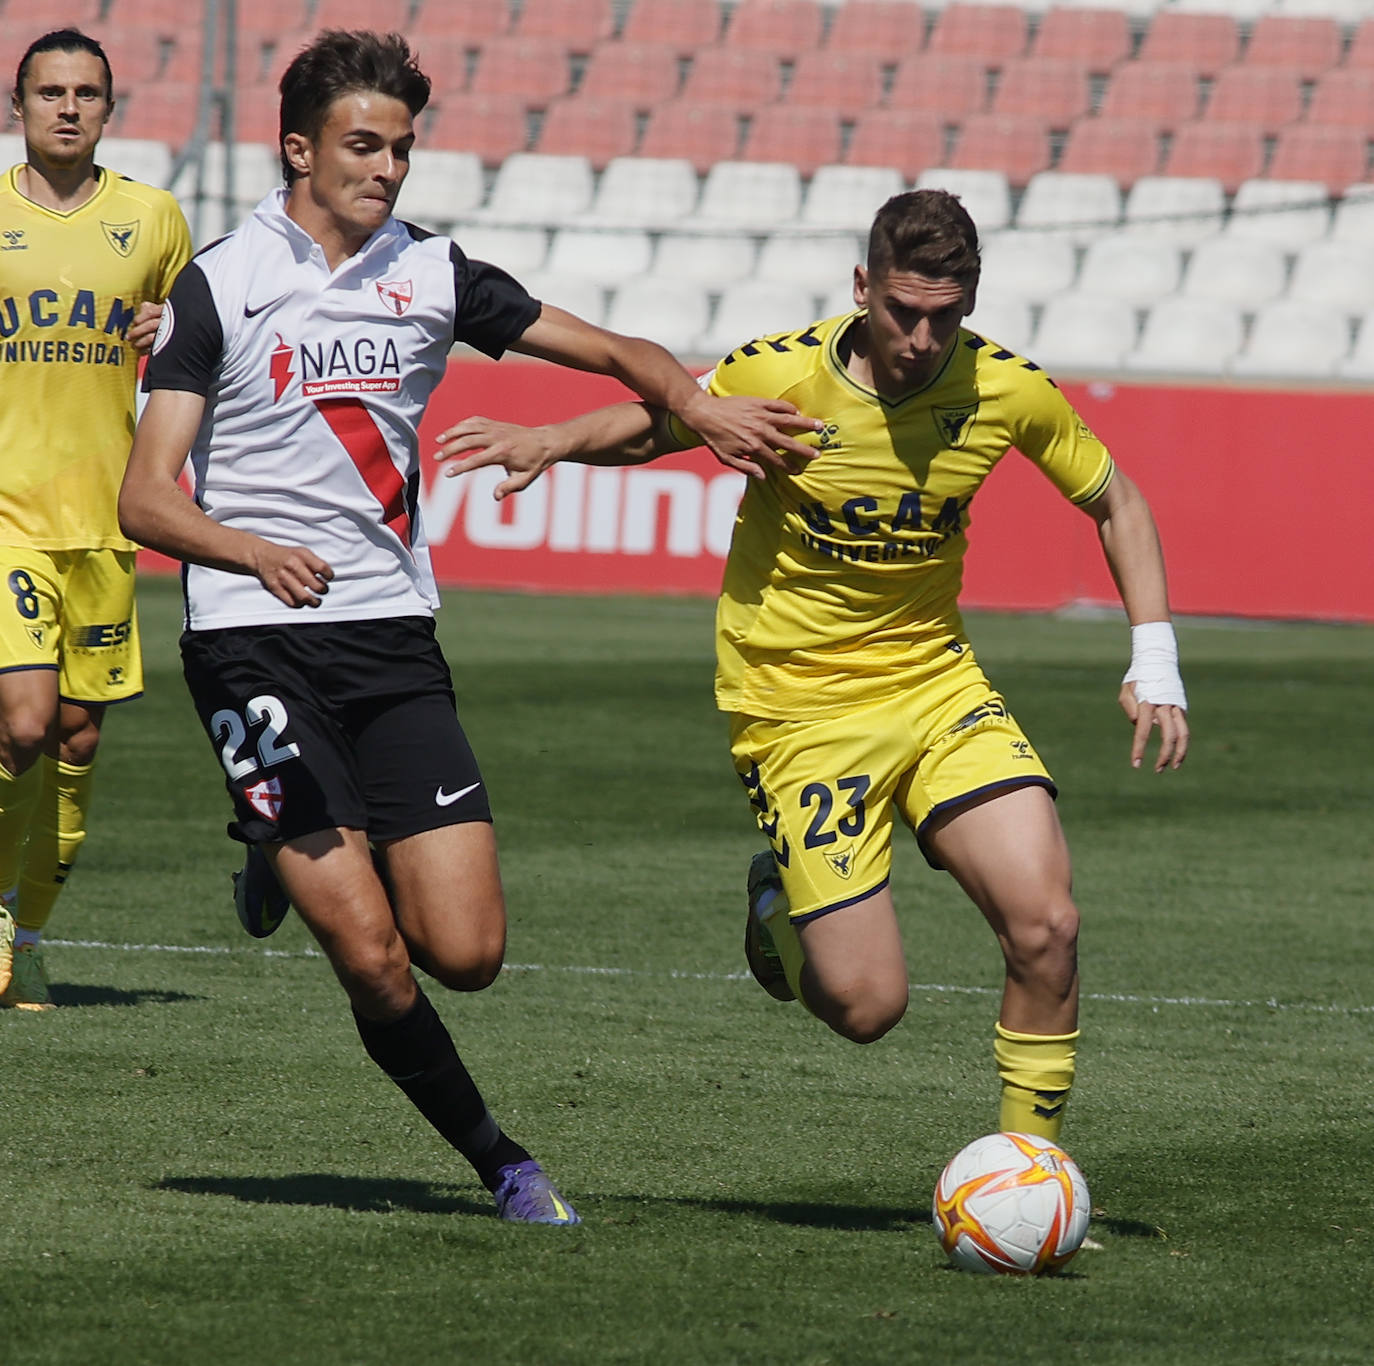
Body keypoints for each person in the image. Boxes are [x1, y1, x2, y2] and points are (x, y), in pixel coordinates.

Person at [117, 29, 813, 1223]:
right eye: (362, 145)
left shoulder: (430, 271)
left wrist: (697, 405)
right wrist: (249, 550)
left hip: (392, 639)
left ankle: (278, 840)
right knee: (372, 953)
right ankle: (503, 1159)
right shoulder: (217, 284)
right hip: (250, 635)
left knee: (468, 950)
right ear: (297, 148)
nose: (386, 169)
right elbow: (145, 496)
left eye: (401, 148)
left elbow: (610, 350)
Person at [433, 189, 1190, 1146]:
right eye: (902, 312)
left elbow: (1116, 499)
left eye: (946, 316)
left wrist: (1153, 656)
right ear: (863, 286)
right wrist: (552, 441)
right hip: (799, 705)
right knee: (866, 1007)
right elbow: (664, 425)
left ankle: (1026, 1171)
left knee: (1048, 927)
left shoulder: (1006, 391)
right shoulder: (781, 375)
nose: (921, 338)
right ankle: (775, 906)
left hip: (936, 683)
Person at [0, 29, 191, 1010]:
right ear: (17, 104)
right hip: (8, 516)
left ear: (108, 109)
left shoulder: (152, 219)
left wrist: (172, 331)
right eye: (49, 91)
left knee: (77, 739)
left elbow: (196, 362)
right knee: (23, 722)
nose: (67, 107)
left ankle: (28, 937)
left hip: (105, 520)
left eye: (86, 93)